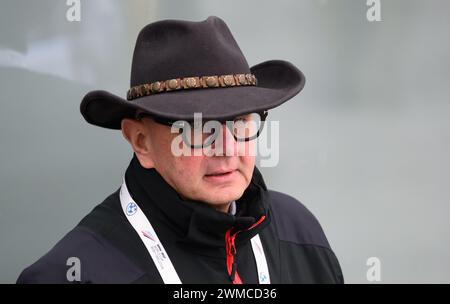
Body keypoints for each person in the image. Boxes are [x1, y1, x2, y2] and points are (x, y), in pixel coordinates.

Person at [17, 16, 343, 284]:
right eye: (197, 128)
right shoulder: (72, 274)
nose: (227, 148)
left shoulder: (298, 232)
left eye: (241, 121)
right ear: (140, 141)